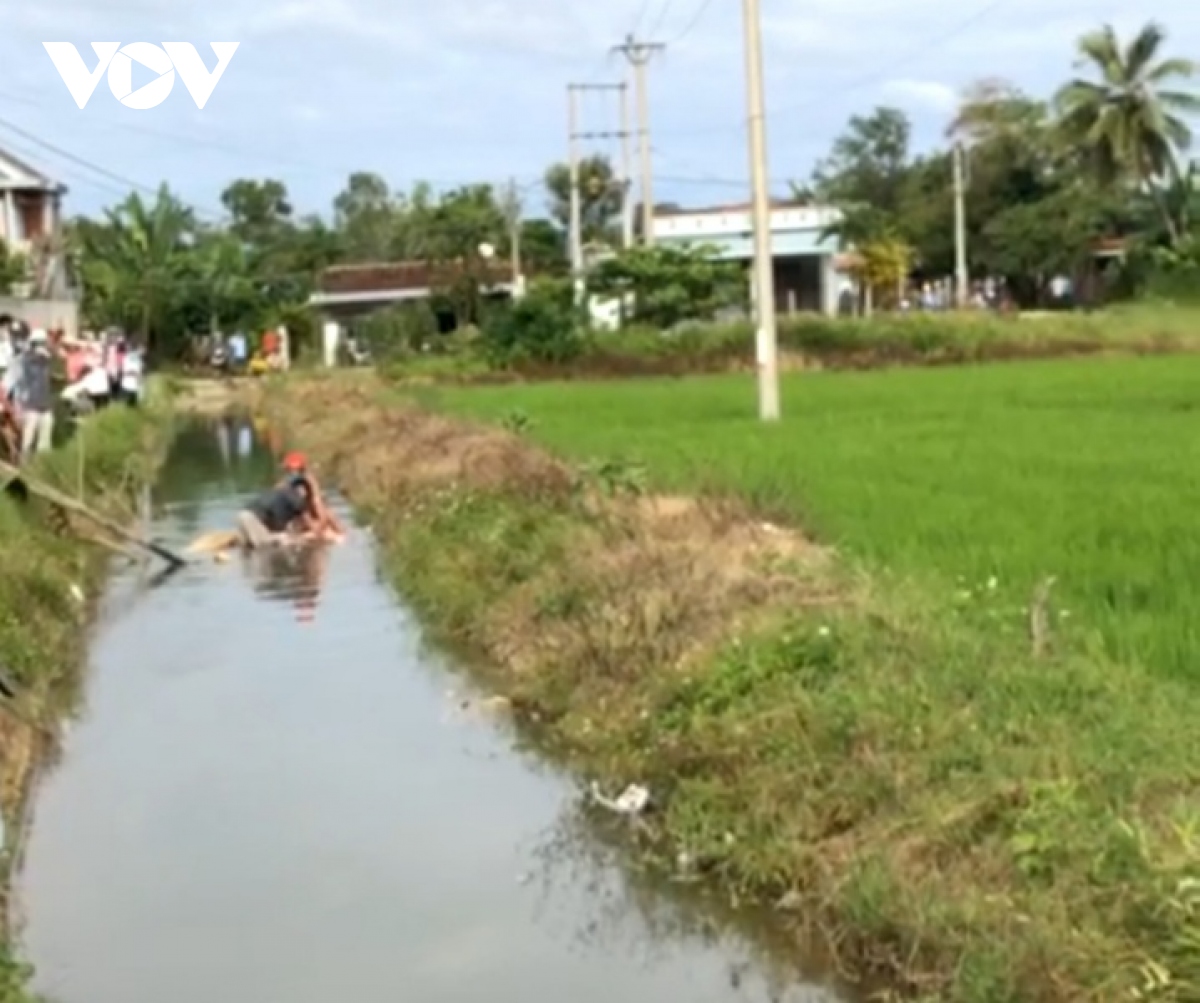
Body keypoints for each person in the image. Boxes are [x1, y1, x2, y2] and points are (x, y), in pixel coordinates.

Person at [236, 478, 317, 549]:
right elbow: (311, 526)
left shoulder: (278, 492)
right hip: (253, 519)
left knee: (246, 549)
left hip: (241, 515)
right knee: (266, 548)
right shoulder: (296, 497)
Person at [278, 451, 345, 538]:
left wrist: (320, 525)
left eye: (297, 470)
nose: (294, 474)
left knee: (328, 516)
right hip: (301, 518)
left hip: (310, 517)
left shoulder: (309, 481)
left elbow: (319, 505)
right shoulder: (284, 484)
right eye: (291, 471)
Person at [15, 329, 55, 461]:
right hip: (32, 404)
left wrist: (46, 357)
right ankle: (24, 463)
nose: (42, 346)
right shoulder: (27, 359)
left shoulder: (46, 359)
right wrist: (38, 356)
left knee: (45, 438)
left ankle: (41, 463)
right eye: (39, 343)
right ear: (33, 344)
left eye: (43, 343)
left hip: (45, 403)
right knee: (29, 437)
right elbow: (26, 372)